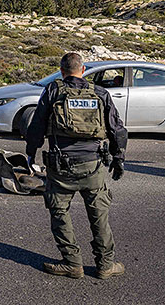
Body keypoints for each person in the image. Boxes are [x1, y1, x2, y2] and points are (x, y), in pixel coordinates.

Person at [26, 52, 127, 280]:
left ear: (62, 72)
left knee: (60, 212)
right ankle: (105, 265)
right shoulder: (100, 93)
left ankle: (72, 263)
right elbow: (117, 130)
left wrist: (31, 154)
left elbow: (37, 127)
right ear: (83, 70)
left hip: (61, 167)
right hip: (94, 166)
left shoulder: (53, 91)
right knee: (99, 215)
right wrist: (119, 158)